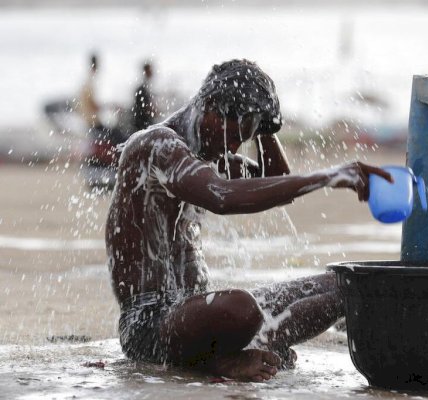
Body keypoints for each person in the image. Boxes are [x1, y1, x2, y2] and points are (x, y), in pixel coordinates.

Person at [105, 59, 392, 382]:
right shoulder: (156, 146)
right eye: (232, 134)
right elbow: (222, 196)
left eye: (244, 138)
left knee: (344, 285)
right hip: (151, 329)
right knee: (241, 308)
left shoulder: (209, 154)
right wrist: (328, 175)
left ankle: (254, 343)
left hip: (198, 318)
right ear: (209, 106)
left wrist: (267, 127)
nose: (233, 147)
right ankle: (216, 361)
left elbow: (276, 181)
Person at [131, 61, 157, 132]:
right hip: (143, 124)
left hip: (143, 123)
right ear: (145, 72)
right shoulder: (142, 89)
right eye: (150, 70)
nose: (152, 73)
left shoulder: (146, 87)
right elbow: (145, 108)